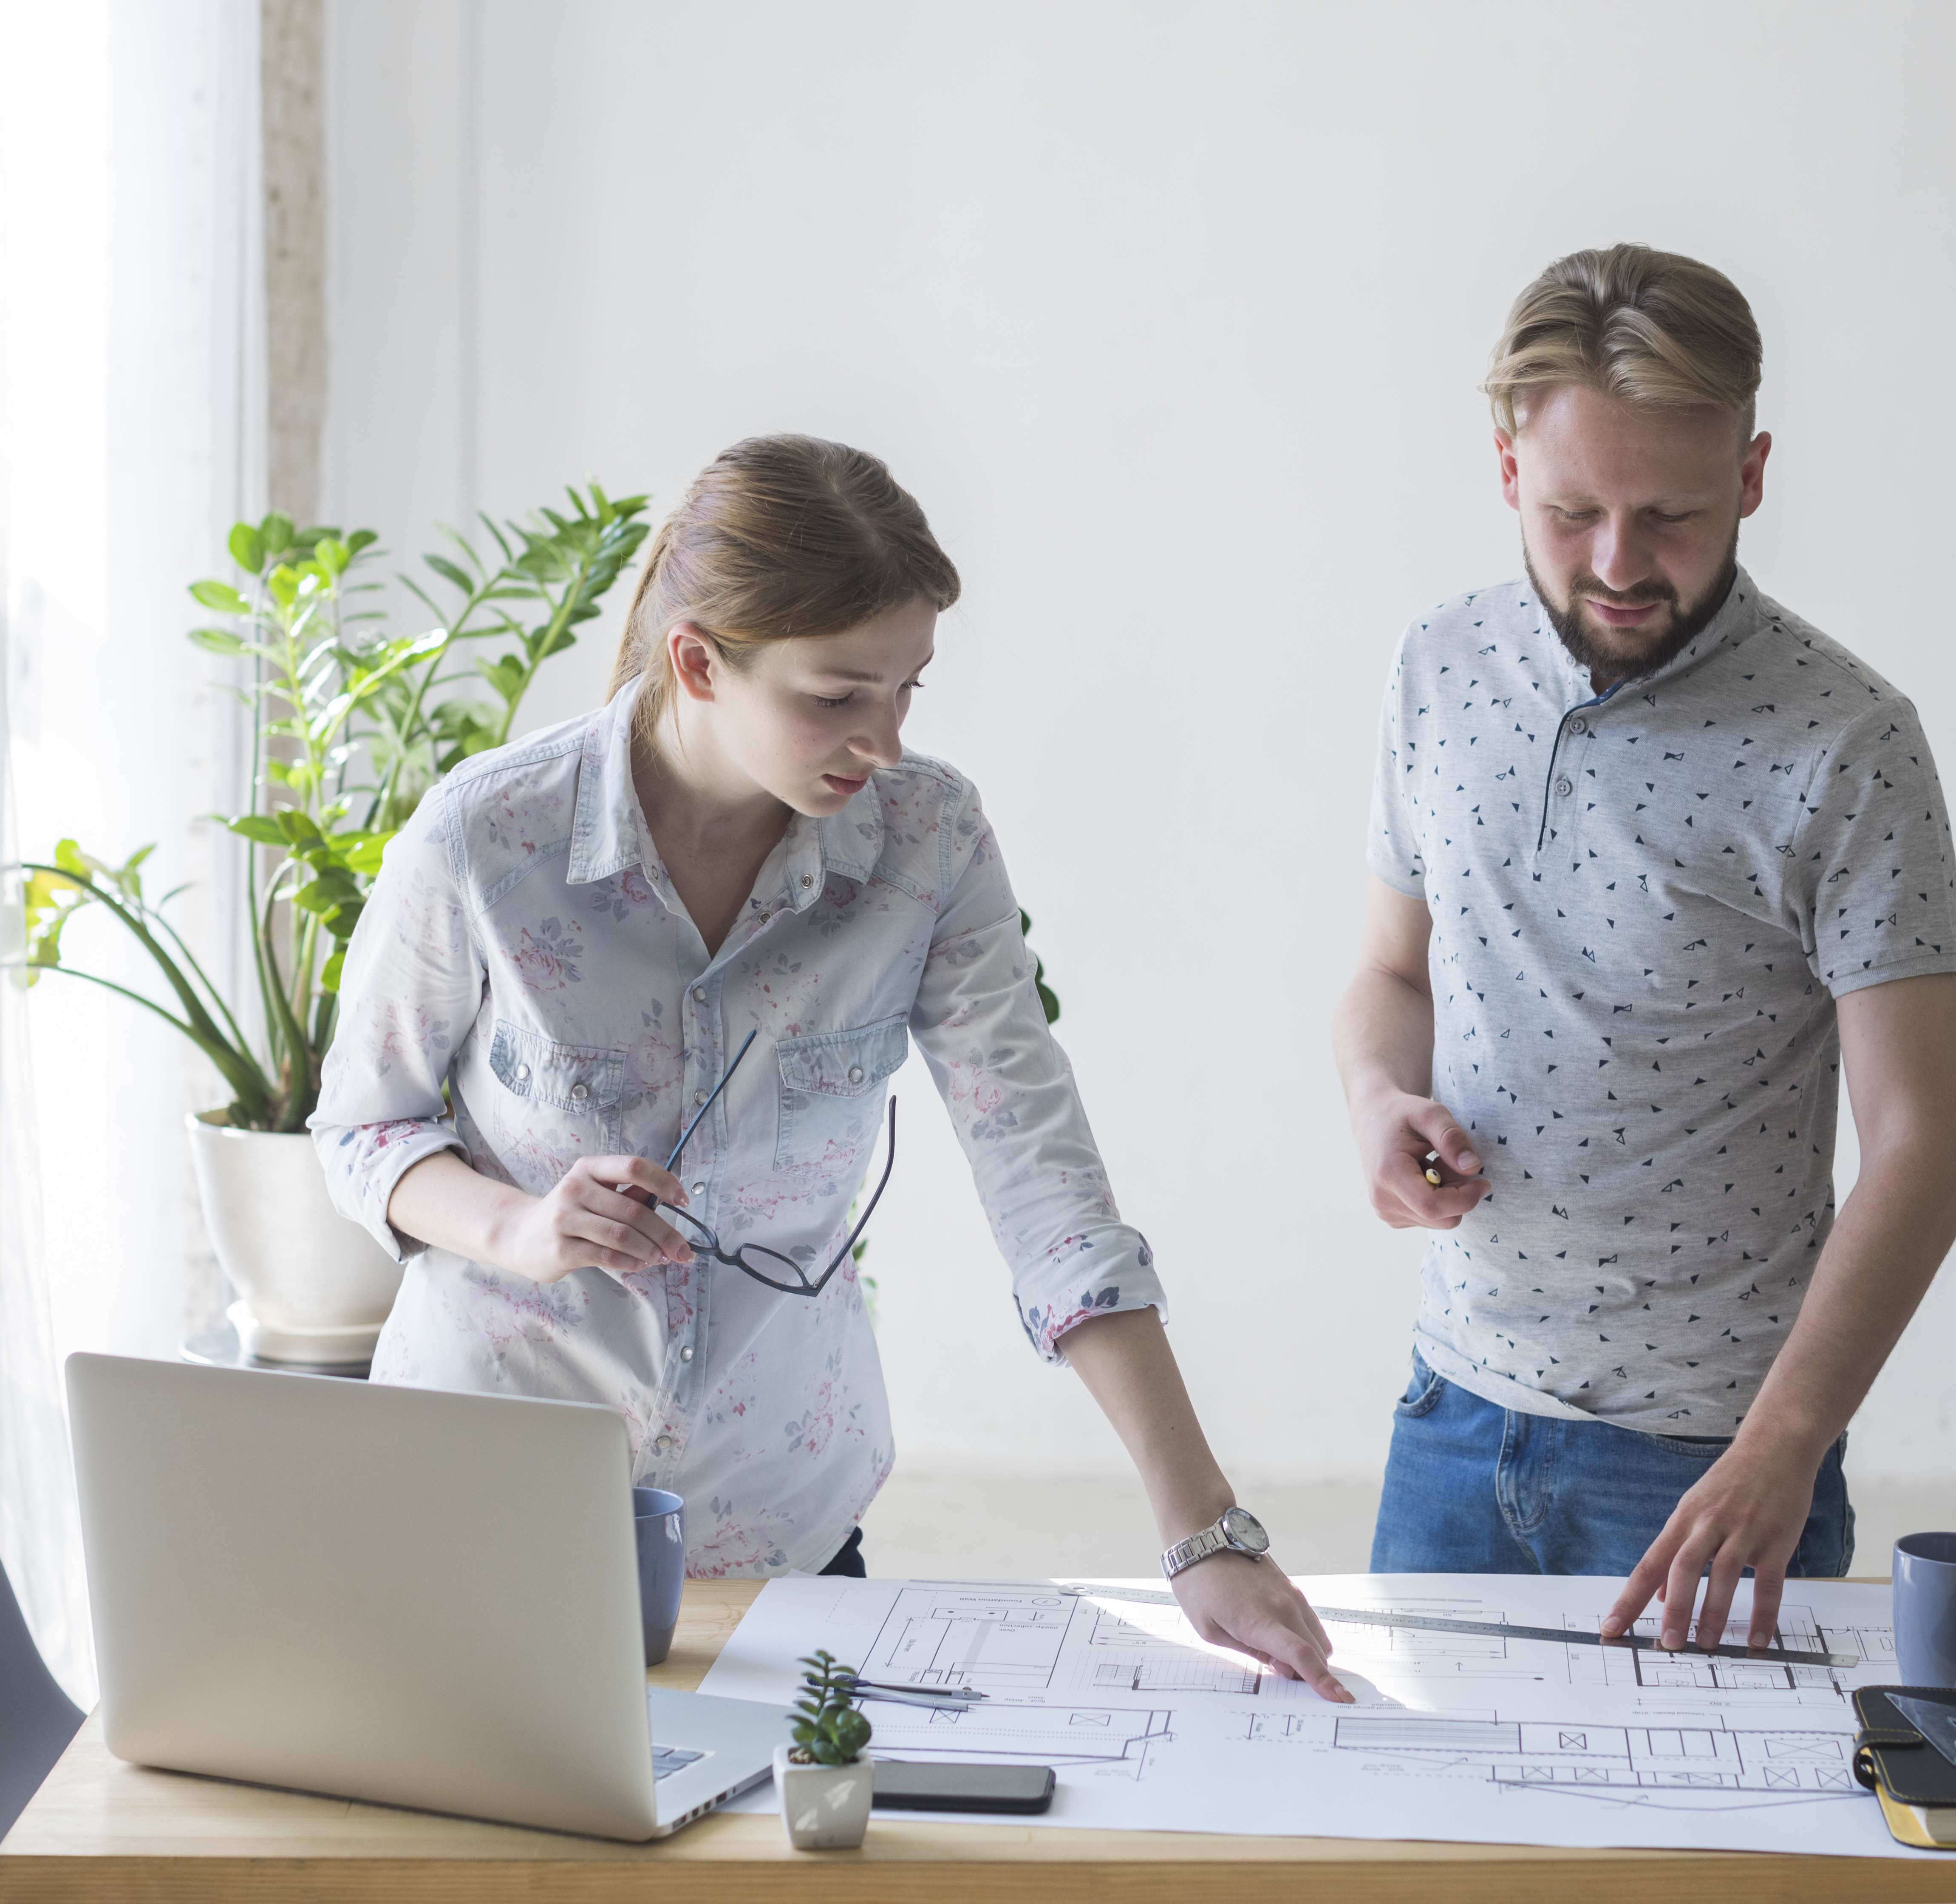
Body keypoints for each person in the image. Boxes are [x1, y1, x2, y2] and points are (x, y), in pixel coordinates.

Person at [313, 434, 1347, 1699]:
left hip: (781, 1517)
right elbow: (365, 1130)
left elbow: (1044, 1181)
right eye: (837, 695)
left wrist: (1205, 1533)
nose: (885, 741)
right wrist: (522, 1225)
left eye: (908, 689)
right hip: (491, 1493)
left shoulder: (929, 842)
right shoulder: (486, 838)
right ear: (698, 660)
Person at [1335, 245, 1956, 1656]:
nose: (1621, 565)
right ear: (1507, 469)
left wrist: (1786, 1443)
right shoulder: (1435, 669)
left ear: (1751, 476)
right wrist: (1381, 1099)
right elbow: (1391, 974)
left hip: (1712, 1461)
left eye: (1673, 515)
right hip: (1450, 1422)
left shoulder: (1851, 743)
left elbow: (1921, 1141)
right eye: (1574, 512)